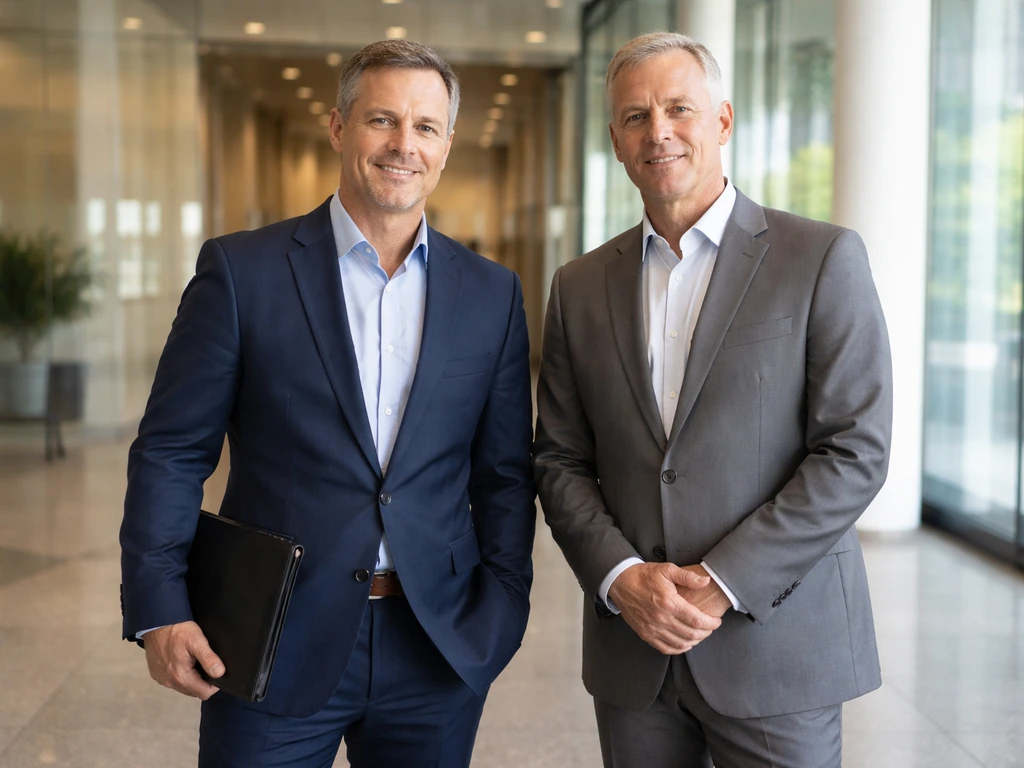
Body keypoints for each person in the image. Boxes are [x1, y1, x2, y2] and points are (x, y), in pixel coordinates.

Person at [120, 39, 536, 768]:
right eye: (382, 120)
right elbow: (172, 450)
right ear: (339, 128)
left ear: (446, 145)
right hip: (270, 635)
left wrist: (500, 609)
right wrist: (161, 604)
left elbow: (503, 473)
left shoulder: (491, 294)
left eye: (426, 127)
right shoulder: (242, 272)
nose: (404, 144)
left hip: (436, 644)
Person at [534, 31, 892, 768]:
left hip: (777, 647)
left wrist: (726, 581)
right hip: (635, 653)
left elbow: (855, 450)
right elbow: (560, 457)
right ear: (615, 140)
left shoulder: (821, 259)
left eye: (678, 109)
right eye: (635, 117)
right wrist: (619, 577)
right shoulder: (577, 286)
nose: (657, 132)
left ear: (722, 121)